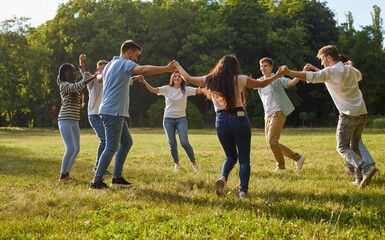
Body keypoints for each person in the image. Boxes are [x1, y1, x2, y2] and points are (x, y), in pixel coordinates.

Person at [173, 55, 284, 199]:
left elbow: (187, 78)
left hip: (221, 119)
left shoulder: (210, 79)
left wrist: (178, 66)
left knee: (230, 156)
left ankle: (223, 177)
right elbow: (261, 84)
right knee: (244, 159)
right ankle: (243, 191)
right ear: (235, 67)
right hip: (239, 118)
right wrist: (279, 75)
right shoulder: (240, 79)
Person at [281, 45, 379, 188]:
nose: (322, 63)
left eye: (322, 59)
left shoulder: (331, 71)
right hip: (362, 113)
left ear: (328, 57)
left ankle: (366, 167)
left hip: (348, 114)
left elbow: (311, 77)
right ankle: (359, 178)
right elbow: (359, 75)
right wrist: (351, 66)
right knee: (354, 146)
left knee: (342, 147)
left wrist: (289, 71)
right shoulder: (349, 70)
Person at [89, 40, 176, 189]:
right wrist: (167, 69)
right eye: (135, 56)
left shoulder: (111, 64)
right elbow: (143, 69)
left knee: (127, 142)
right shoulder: (124, 63)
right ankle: (96, 182)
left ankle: (117, 177)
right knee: (111, 147)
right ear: (129, 52)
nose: (136, 60)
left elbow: (113, 80)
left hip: (112, 111)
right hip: (113, 112)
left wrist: (134, 79)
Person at [306, 55, 379, 177]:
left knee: (349, 145)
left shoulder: (344, 73)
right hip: (359, 112)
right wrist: (314, 67)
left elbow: (325, 75)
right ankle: (357, 171)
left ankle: (369, 166)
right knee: (352, 145)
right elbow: (325, 75)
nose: (325, 64)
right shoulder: (344, 73)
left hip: (350, 113)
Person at [139, 71, 203, 173]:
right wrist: (145, 82)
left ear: (182, 79)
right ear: (172, 78)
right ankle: (177, 164)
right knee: (172, 144)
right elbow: (153, 90)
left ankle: (194, 163)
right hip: (168, 119)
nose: (177, 78)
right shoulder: (167, 89)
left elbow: (199, 91)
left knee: (184, 142)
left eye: (179, 76)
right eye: (175, 76)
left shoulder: (185, 89)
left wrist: (210, 87)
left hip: (181, 119)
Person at [255, 57, 306, 172]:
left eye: (265, 65)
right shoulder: (260, 81)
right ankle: (298, 158)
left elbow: (292, 82)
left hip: (278, 112)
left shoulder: (277, 79)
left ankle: (281, 166)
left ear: (271, 67)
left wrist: (302, 72)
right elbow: (249, 84)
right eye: (261, 66)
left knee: (272, 141)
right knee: (271, 143)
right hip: (267, 115)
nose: (262, 68)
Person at [57, 63, 97, 183]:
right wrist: (93, 77)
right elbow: (78, 85)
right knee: (70, 148)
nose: (75, 73)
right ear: (65, 73)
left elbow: (83, 81)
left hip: (74, 121)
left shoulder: (74, 85)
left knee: (77, 148)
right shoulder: (64, 85)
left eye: (75, 71)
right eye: (73, 71)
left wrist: (83, 66)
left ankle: (67, 173)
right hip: (65, 120)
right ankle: (62, 175)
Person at [78, 54, 111, 175]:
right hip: (94, 115)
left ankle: (100, 166)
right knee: (104, 140)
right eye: (104, 68)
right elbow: (85, 73)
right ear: (98, 69)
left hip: (104, 114)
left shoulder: (109, 80)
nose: (107, 70)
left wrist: (135, 78)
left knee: (108, 141)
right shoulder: (92, 80)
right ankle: (98, 166)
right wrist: (83, 63)